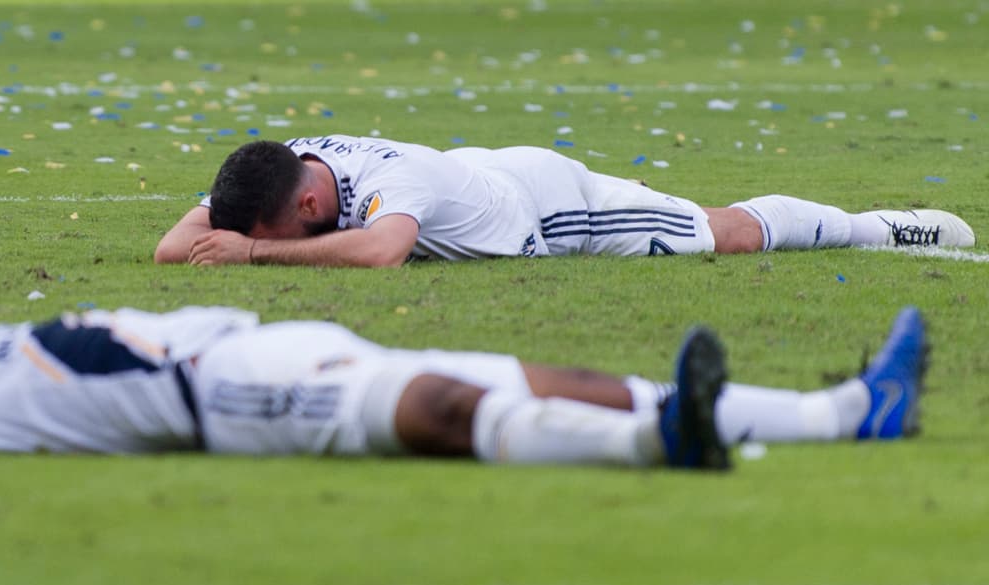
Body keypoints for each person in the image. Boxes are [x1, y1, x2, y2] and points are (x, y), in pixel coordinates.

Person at [0, 303, 926, 473]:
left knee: (558, 376)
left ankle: (846, 412)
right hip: (223, 396)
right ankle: (660, 445)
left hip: (280, 340)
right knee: (441, 415)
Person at [153, 135, 975, 267]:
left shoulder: (388, 194)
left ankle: (888, 229)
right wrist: (234, 235)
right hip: (483, 175)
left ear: (301, 210)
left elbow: (383, 252)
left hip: (553, 207)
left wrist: (253, 254)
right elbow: (172, 245)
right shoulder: (281, 165)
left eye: (276, 236)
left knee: (721, 236)